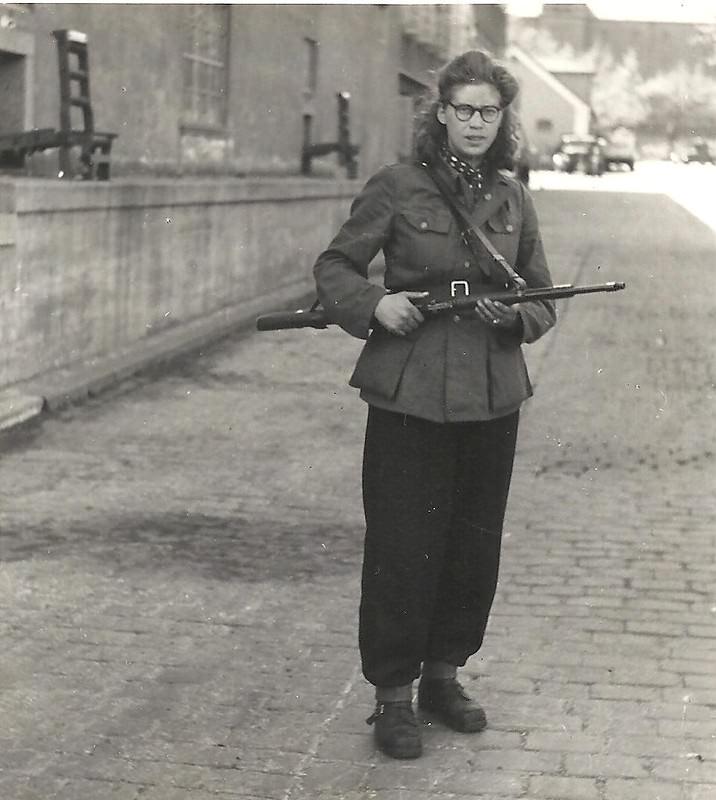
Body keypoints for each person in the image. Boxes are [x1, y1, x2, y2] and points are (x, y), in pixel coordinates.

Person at [313, 50, 556, 759]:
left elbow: (540, 295)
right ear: (441, 113)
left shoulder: (513, 198)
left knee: (471, 547)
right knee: (401, 547)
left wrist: (515, 320)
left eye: (489, 111)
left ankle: (442, 678)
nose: (476, 123)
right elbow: (336, 267)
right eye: (464, 109)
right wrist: (374, 304)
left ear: (502, 119)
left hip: (491, 393)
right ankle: (393, 696)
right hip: (410, 390)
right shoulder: (397, 187)